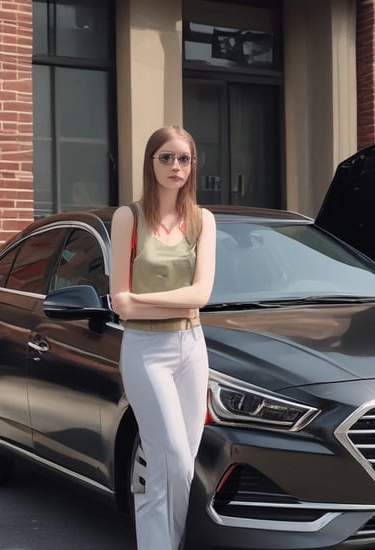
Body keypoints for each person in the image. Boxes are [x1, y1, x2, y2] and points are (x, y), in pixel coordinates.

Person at [109, 126, 216, 550]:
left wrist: (144, 298)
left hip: (192, 348)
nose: (176, 167)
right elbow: (122, 304)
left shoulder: (202, 219)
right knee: (167, 456)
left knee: (181, 466)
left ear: (192, 167)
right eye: (166, 158)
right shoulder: (128, 218)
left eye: (184, 159)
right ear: (151, 162)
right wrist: (178, 303)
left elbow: (202, 296)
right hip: (145, 350)